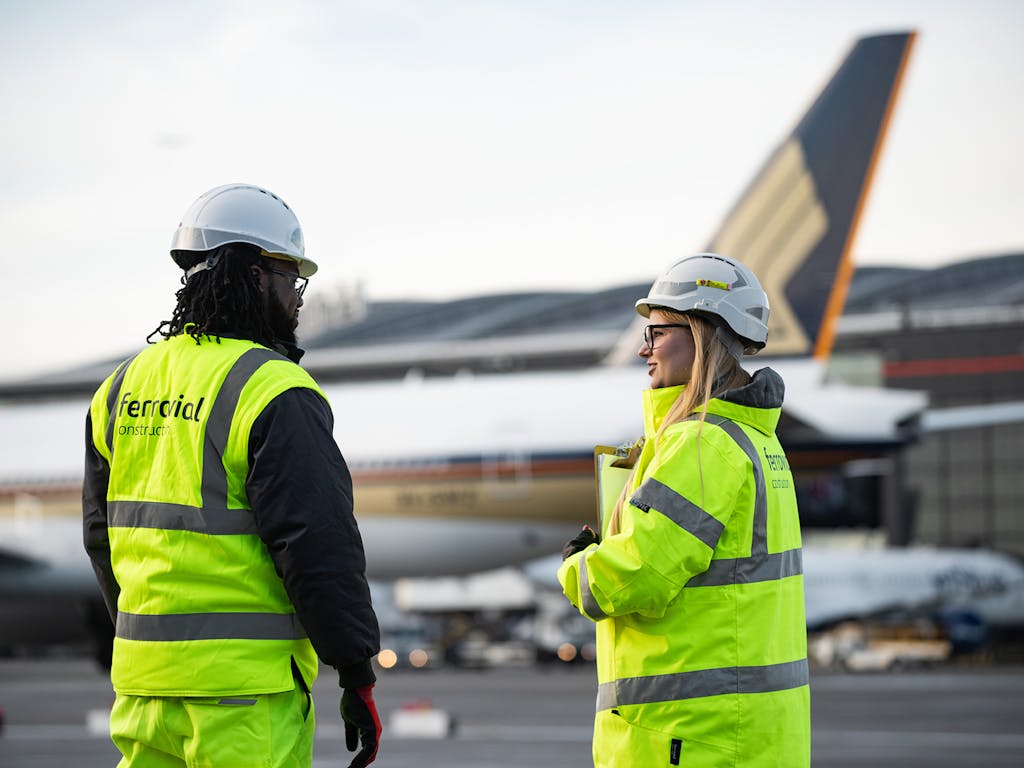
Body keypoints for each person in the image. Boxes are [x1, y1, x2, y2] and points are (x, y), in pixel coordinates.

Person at [82, 183, 382, 768]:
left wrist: (150, 648)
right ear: (253, 274)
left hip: (143, 694)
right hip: (243, 697)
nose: (298, 301)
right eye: (290, 279)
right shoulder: (273, 389)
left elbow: (103, 540)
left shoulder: (119, 388)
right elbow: (317, 545)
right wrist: (356, 671)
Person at [558, 253, 810, 767]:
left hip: (688, 738)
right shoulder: (755, 441)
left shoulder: (700, 445)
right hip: (746, 735)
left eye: (656, 332)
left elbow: (634, 579)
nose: (643, 349)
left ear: (701, 333)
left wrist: (578, 566)